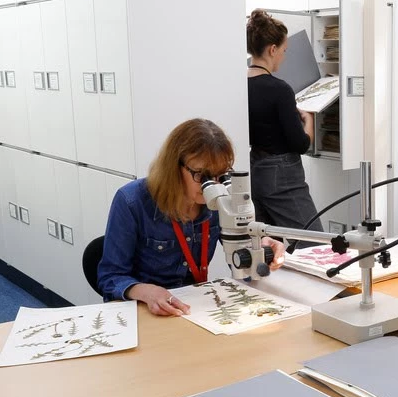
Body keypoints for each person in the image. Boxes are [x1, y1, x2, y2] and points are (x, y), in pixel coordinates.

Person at [96, 119, 286, 316]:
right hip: (146, 311)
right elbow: (110, 278)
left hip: (194, 309)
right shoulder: (131, 201)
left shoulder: (221, 200)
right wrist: (146, 291)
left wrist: (257, 248)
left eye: (220, 175)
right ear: (174, 167)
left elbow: (242, 268)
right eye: (202, 175)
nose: (212, 185)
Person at [246, 8, 324, 231]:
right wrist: (308, 120)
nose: (284, 55)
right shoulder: (279, 90)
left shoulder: (240, 86)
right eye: (284, 50)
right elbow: (300, 144)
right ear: (272, 49)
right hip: (282, 176)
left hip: (256, 170)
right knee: (312, 240)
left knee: (268, 242)